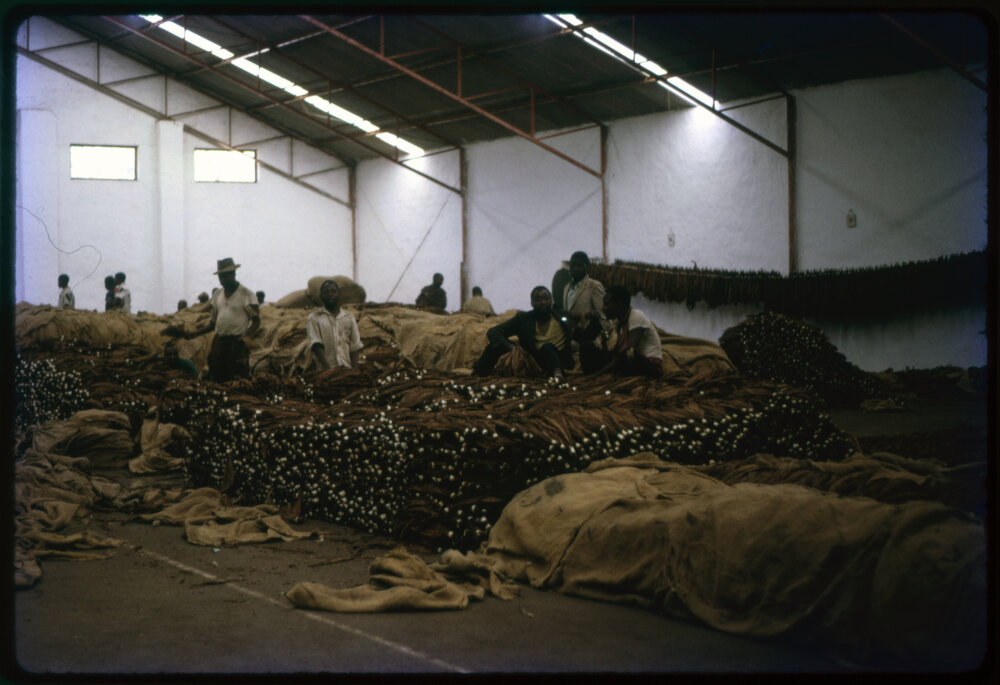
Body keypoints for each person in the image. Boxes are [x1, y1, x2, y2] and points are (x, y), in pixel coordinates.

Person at [473, 285, 572, 379]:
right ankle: (478, 373)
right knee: (494, 347)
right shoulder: (523, 319)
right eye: (537, 299)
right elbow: (493, 332)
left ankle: (557, 374)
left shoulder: (563, 318)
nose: (542, 302)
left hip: (558, 359)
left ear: (551, 301)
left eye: (546, 299)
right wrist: (512, 347)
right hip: (534, 361)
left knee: (547, 347)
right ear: (532, 303)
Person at [186, 258, 260, 382]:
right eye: (221, 277)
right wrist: (194, 334)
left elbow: (256, 321)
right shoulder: (217, 295)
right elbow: (212, 324)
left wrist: (245, 335)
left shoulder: (247, 295)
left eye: (226, 276)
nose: (222, 280)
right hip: (219, 342)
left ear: (234, 274)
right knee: (216, 376)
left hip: (236, 343)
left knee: (236, 379)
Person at [593, 285, 663, 378]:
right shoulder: (618, 323)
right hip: (630, 362)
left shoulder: (636, 316)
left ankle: (599, 377)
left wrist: (599, 374)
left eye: (606, 304)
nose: (603, 308)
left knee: (627, 354)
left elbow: (627, 352)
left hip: (649, 365)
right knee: (588, 348)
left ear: (619, 305)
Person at [562, 251, 607, 373]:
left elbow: (603, 315)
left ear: (587, 267)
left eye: (579, 265)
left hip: (589, 337)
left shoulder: (594, 286)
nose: (575, 269)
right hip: (572, 336)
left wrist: (601, 339)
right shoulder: (567, 288)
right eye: (573, 266)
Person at [306, 279, 363, 370]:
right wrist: (329, 371)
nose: (330, 294)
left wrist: (354, 371)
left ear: (339, 294)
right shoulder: (314, 318)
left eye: (333, 291)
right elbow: (316, 345)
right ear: (321, 296)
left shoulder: (349, 317)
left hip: (346, 369)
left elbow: (354, 346)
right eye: (326, 292)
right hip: (325, 371)